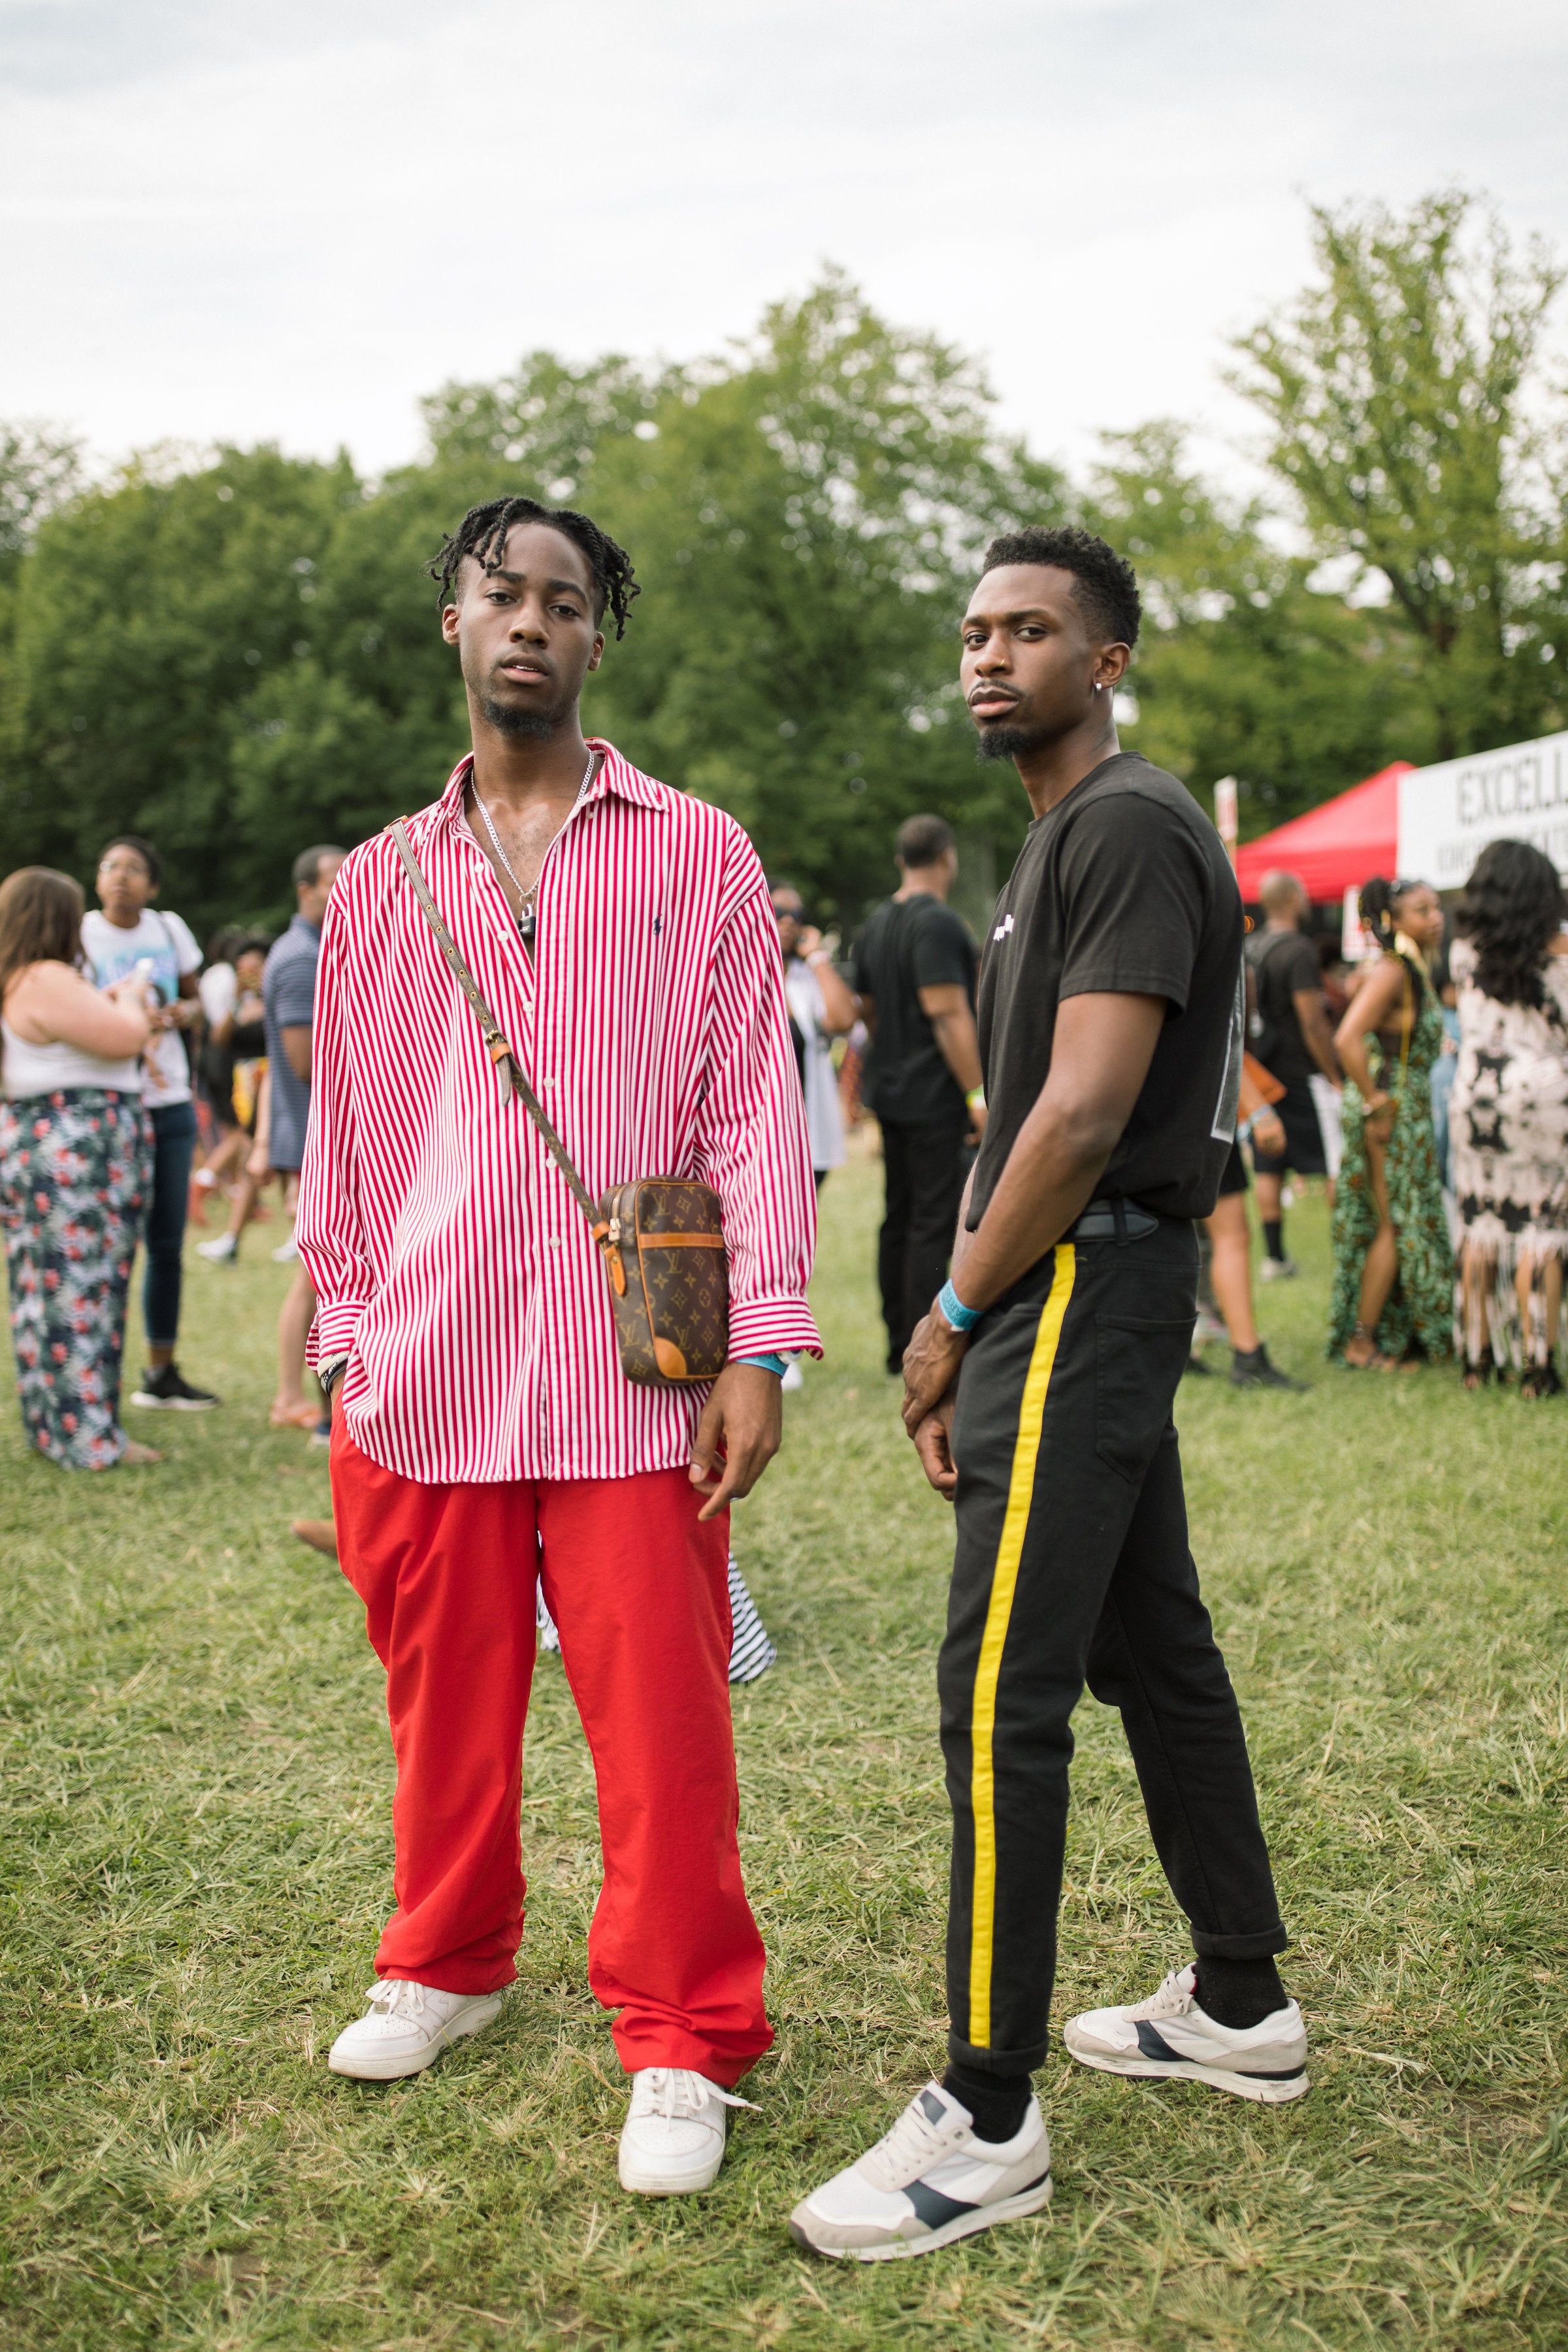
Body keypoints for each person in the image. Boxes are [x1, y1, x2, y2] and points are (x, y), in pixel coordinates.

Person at [296, 494, 819, 2199]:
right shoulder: (380, 879)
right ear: (453, 622)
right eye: (501, 593)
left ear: (599, 635)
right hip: (428, 1359)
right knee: (442, 1704)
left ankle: (683, 2034)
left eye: (565, 599)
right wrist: (347, 1340)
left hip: (638, 1370)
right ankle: (446, 1961)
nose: (531, 619)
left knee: (664, 1723)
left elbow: (753, 1109)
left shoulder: (700, 849)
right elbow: (347, 1133)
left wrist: (761, 1346)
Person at [791, 525, 1301, 2265]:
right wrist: (963, 1311)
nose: (989, 657)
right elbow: (1016, 1117)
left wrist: (950, 1315)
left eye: (1027, 630)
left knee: (1000, 1690)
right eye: (973, 632)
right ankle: (1241, 1999)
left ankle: (986, 2110)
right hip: (1059, 1285)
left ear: (1108, 660)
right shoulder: (1054, 843)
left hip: (1085, 1279)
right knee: (1153, 1646)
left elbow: (1081, 1116)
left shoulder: (1132, 823)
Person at [0, 867, 159, 1469]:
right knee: (84, 1291)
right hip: (77, 1150)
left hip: (49, 1145)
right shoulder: (47, 976)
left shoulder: (21, 978)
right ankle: (89, 1439)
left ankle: (57, 1427)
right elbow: (126, 1039)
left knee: (48, 1292)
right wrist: (134, 998)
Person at [80, 836, 220, 1409]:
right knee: (104, 1241)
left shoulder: (168, 928)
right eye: (110, 865)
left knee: (165, 1243)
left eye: (134, 868)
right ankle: (93, 1376)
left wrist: (180, 1012)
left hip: (170, 1103)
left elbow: (198, 1002)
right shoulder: (83, 934)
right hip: (110, 1101)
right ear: (97, 879)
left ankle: (160, 1373)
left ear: (153, 885)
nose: (121, 876)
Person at [851, 815, 986, 1375]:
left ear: (900, 861)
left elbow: (867, 1010)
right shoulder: (938, 923)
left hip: (890, 1090)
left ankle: (895, 1343)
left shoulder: (875, 924)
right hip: (933, 1094)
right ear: (947, 858)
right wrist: (977, 1092)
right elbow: (948, 1012)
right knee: (933, 1218)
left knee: (899, 1214)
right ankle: (918, 1341)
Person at [1447, 840, 1568, 1394]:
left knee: (1480, 1223)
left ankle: (1477, 1359)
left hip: (1474, 1093)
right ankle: (1537, 1367)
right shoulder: (1559, 955)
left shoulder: (1463, 952)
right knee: (1541, 1229)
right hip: (1541, 1097)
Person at [1328, 879, 1453, 1370]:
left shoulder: (1410, 968)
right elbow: (1347, 1038)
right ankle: (1362, 1342)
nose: (1436, 917)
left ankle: (1394, 1329)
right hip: (1391, 1106)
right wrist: (1376, 1104)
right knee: (1394, 1222)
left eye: (1437, 907)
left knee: (1401, 1217)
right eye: (1422, 910)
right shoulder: (1393, 970)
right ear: (1394, 921)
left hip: (1406, 1105)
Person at [1245, 871, 1341, 1279]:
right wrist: (1333, 1074)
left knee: (1269, 1165)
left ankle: (1274, 1257)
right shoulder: (1299, 950)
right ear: (1292, 898)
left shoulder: (1250, 946)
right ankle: (1347, 1253)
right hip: (1302, 1072)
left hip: (1262, 1076)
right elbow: (1312, 1021)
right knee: (1336, 1160)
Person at [1191, 1070, 1305, 1390]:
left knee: (1170, 1231)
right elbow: (1223, 1046)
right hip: (1200, 1107)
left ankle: (1173, 1348)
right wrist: (1260, 1111)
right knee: (1231, 1237)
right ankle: (1248, 1356)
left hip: (1150, 1112)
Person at [771, 883, 856, 1186]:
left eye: (797, 915)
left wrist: (817, 957)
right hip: (757, 1134)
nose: (789, 921)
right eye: (779, 912)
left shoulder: (805, 978)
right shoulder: (738, 974)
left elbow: (844, 1020)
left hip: (804, 1133)